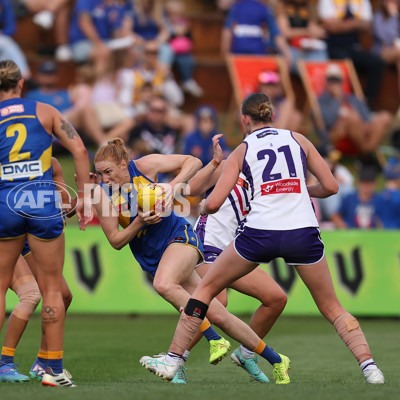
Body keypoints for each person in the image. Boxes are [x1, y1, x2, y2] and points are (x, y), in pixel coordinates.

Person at [150, 92, 385, 384]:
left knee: (206, 290)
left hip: (260, 233)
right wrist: (297, 190)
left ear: (243, 120)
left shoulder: (242, 150)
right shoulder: (299, 139)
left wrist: (203, 206)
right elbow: (332, 186)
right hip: (302, 232)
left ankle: (173, 359)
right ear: (272, 115)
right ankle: (371, 368)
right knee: (332, 307)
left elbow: (212, 203)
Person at [92, 137, 289, 384]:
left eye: (108, 172)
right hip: (153, 256)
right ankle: (276, 359)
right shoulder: (101, 195)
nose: (105, 179)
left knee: (164, 285)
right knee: (217, 311)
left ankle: (211, 341)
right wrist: (139, 222)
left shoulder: (145, 166)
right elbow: (116, 240)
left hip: (179, 237)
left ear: (124, 164)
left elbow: (192, 161)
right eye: (99, 174)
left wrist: (172, 186)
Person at [0, 59, 91, 387]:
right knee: (51, 289)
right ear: (22, 83)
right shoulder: (45, 111)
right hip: (42, 201)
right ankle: (53, 369)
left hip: (6, 202)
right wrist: (87, 197)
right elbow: (78, 147)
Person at [188, 137, 287, 383]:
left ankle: (246, 354)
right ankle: (176, 358)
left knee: (275, 298)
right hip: (207, 244)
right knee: (216, 300)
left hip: (236, 251)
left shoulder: (263, 182)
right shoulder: (229, 166)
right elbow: (190, 189)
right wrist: (213, 163)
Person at [0, 157, 76, 382]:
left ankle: (42, 363)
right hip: (0, 236)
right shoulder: (14, 161)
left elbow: (68, 209)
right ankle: (4, 365)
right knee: (31, 295)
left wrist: (85, 193)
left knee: (63, 295)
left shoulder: (53, 164)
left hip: (29, 238)